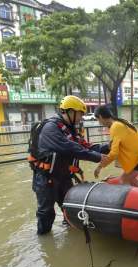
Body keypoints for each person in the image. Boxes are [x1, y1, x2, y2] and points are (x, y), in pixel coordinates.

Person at [29, 95, 105, 235]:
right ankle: (45, 242)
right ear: (69, 112)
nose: (81, 118)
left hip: (63, 176)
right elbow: (71, 148)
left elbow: (85, 146)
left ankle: (71, 233)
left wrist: (109, 148)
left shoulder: (69, 129)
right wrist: (99, 158)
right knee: (46, 212)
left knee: (70, 208)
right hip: (46, 179)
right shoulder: (51, 128)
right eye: (80, 114)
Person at [94, 105, 138, 187]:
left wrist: (100, 166)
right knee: (131, 179)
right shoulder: (118, 123)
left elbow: (114, 153)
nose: (99, 123)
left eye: (98, 120)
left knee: (124, 180)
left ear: (101, 117)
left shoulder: (115, 126)